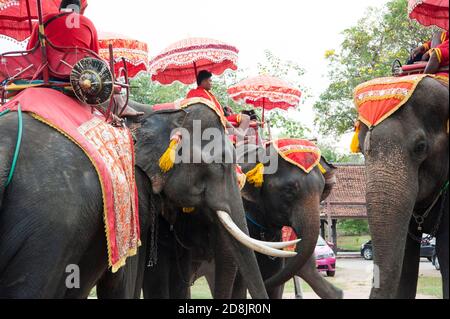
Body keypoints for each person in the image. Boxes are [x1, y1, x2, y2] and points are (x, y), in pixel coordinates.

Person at [186, 71, 250, 143]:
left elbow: (216, 107)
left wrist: (225, 110)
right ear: (203, 81)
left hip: (221, 116)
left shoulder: (208, 93)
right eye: (210, 81)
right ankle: (239, 136)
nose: (211, 83)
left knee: (246, 118)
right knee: (221, 118)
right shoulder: (194, 92)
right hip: (211, 118)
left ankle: (238, 138)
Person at [27, 0, 99, 54]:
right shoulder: (88, 23)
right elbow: (95, 55)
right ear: (78, 11)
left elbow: (30, 50)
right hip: (79, 71)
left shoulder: (43, 20)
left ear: (60, 9)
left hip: (48, 70)